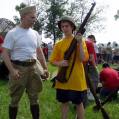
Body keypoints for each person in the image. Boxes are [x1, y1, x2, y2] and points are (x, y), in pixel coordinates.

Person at [2, 6, 49, 119]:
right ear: (23, 17)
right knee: (15, 99)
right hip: (18, 69)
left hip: (33, 68)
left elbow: (39, 52)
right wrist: (12, 70)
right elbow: (4, 54)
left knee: (34, 98)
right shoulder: (12, 33)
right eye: (32, 17)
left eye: (35, 17)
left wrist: (45, 68)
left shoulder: (35, 34)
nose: (35, 19)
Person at [49, 16, 88, 119]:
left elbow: (82, 58)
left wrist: (79, 43)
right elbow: (52, 60)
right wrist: (60, 63)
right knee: (64, 103)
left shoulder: (81, 41)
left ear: (72, 27)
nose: (64, 28)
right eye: (62, 26)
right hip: (63, 80)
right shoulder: (58, 44)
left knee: (79, 103)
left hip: (76, 80)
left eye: (67, 26)